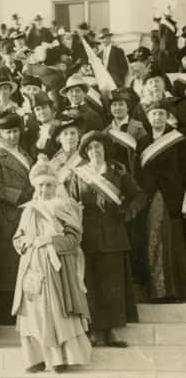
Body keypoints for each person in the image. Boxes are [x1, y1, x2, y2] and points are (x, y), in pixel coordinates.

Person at [12, 157, 92, 374]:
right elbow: (17, 238)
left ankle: (59, 359)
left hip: (56, 267)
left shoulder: (63, 208)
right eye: (40, 185)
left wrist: (50, 241)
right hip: (31, 267)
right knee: (32, 314)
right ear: (35, 187)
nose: (44, 189)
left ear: (55, 186)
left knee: (55, 311)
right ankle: (35, 359)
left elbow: (74, 239)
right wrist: (25, 243)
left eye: (48, 185)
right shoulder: (28, 210)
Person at [70, 131, 146, 347]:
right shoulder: (78, 175)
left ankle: (112, 330)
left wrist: (128, 212)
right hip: (89, 236)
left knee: (112, 284)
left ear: (104, 149)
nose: (95, 151)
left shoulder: (118, 172)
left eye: (99, 147)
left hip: (114, 233)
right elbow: (72, 202)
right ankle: (95, 330)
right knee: (91, 283)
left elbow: (140, 196)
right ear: (86, 152)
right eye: (91, 148)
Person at [0, 111, 33, 324]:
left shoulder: (25, 154)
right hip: (8, 215)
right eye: (8, 132)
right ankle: (6, 313)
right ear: (0, 134)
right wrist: (20, 196)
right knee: (7, 264)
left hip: (27, 213)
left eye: (15, 131)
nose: (12, 136)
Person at [136, 101, 186, 301]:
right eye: (153, 114)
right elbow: (138, 173)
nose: (157, 118)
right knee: (152, 239)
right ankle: (157, 291)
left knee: (173, 241)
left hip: (173, 197)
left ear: (167, 117)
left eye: (161, 114)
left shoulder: (179, 141)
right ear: (148, 118)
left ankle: (176, 290)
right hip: (150, 198)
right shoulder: (143, 142)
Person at [104, 88, 146, 177]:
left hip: (134, 172)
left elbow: (144, 153)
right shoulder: (106, 132)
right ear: (110, 109)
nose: (117, 108)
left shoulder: (138, 127)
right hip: (114, 174)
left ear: (128, 108)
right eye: (114, 105)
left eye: (121, 104)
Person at [50, 114, 84, 197]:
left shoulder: (85, 157)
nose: (69, 137)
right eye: (65, 134)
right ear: (59, 139)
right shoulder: (54, 162)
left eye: (73, 133)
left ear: (78, 137)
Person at [24, 91, 60, 161]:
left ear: (51, 109)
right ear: (35, 114)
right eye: (38, 109)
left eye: (44, 107)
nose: (41, 112)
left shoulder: (60, 125)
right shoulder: (33, 132)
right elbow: (31, 155)